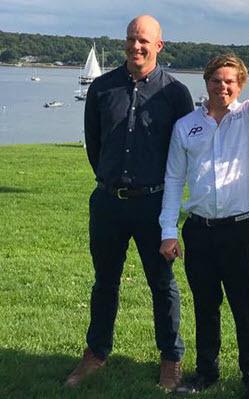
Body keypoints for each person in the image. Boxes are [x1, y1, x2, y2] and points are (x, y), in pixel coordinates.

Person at [157, 10, 249, 399]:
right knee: (206, 306)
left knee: (246, 307)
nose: (222, 87)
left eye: (230, 81)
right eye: (216, 80)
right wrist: (167, 232)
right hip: (199, 229)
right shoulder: (186, 126)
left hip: (239, 229)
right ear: (207, 82)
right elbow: (173, 180)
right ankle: (206, 373)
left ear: (241, 85)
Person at [65, 15, 193, 391]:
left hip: (153, 206)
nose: (136, 46)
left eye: (144, 41)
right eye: (131, 39)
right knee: (105, 281)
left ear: (159, 46)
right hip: (107, 203)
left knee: (162, 283)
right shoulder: (103, 88)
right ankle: (96, 353)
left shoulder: (175, 93)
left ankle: (171, 357)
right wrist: (111, 180)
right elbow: (94, 143)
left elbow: (184, 152)